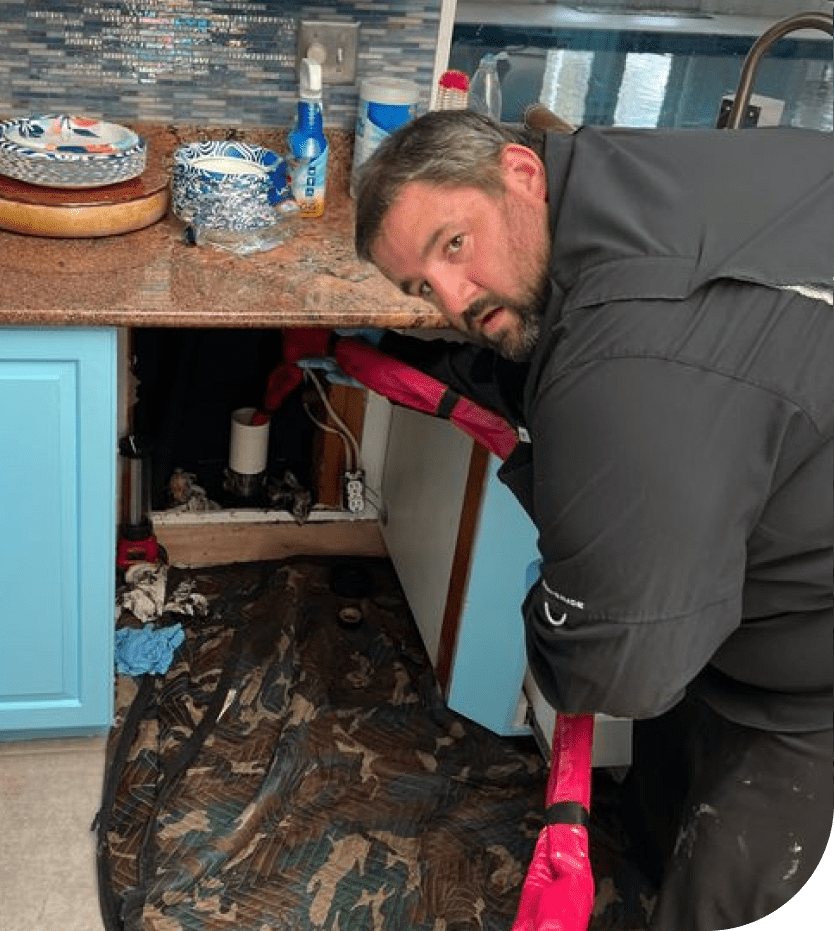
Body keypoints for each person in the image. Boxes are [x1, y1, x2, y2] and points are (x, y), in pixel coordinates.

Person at [352, 108, 832, 930]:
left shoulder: (627, 363)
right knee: (655, 812)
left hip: (808, 682)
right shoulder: (612, 168)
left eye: (453, 245)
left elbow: (615, 670)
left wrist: (552, 618)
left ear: (519, 173)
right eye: (421, 287)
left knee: (725, 902)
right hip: (759, 561)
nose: (452, 300)